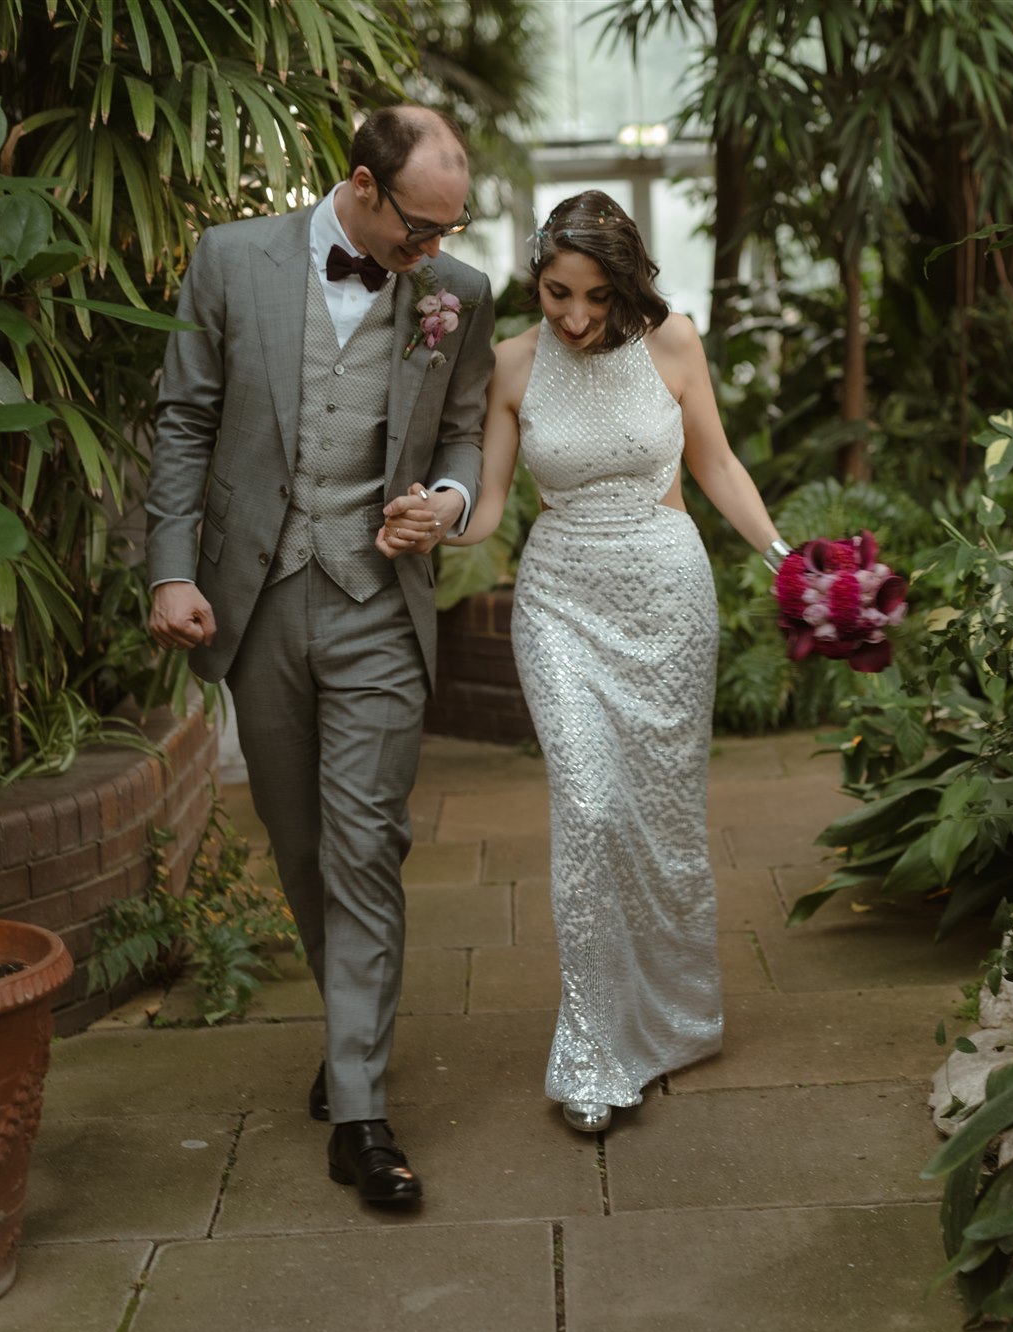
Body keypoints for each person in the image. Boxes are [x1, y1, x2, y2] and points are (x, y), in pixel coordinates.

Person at [383, 191, 790, 1133]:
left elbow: (716, 467)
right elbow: (487, 506)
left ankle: (676, 1021)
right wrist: (433, 522)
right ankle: (596, 1052)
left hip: (668, 598)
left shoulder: (675, 345)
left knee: (663, 820)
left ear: (627, 288)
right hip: (560, 602)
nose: (573, 315)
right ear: (537, 279)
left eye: (596, 297)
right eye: (557, 291)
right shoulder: (512, 363)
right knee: (590, 804)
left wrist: (787, 563)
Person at [146, 105, 495, 1205]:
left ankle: (362, 1111)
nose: (431, 252)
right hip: (255, 598)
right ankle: (351, 1033)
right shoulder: (228, 259)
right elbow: (182, 422)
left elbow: (466, 429)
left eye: (449, 229)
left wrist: (443, 500)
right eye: (417, 229)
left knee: (362, 845)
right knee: (297, 845)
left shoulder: (459, 296)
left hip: (377, 607)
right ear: (359, 184)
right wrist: (169, 569)